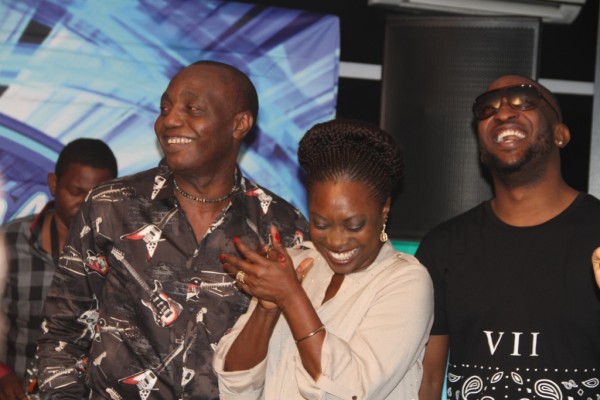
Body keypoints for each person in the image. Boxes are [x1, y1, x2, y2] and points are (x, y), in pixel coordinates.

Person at [35, 60, 308, 399]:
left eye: (192, 109)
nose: (169, 121)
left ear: (239, 124)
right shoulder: (110, 206)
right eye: (165, 108)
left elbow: (296, 351)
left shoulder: (281, 226)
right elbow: (62, 332)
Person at [214, 118, 434, 399]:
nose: (336, 240)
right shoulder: (291, 264)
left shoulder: (405, 282)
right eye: (321, 224)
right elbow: (236, 386)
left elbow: (348, 391)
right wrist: (267, 308)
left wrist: (291, 297)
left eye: (354, 225)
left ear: (384, 209)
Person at [417, 75, 600, 399]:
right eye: (486, 108)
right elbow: (427, 381)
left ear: (561, 133)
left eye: (523, 99)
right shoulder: (443, 247)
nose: (501, 113)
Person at [0, 138, 118, 400]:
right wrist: (2, 374)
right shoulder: (6, 243)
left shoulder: (125, 256)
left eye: (97, 197)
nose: (86, 206)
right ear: (54, 184)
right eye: (76, 192)